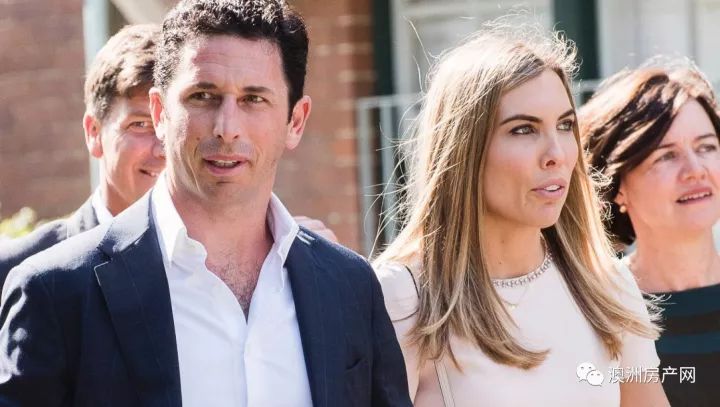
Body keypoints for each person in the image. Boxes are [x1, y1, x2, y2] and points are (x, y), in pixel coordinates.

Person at [0, 1, 411, 406]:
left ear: (295, 121)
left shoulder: (350, 286)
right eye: (202, 96)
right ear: (160, 112)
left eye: (253, 99)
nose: (227, 128)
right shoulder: (56, 292)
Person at [373, 24, 669, 406]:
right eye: (524, 129)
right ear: (465, 149)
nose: (556, 154)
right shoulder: (404, 295)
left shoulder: (608, 285)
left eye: (565, 125)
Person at [582, 60, 720, 406]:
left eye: (706, 147)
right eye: (666, 156)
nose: (695, 170)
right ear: (618, 186)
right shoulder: (596, 311)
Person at [0, 24, 165, 285]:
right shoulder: (16, 271)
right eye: (141, 124)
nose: (163, 147)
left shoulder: (221, 263)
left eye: (172, 125)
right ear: (94, 133)